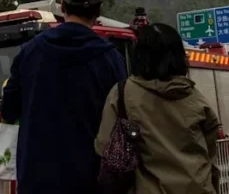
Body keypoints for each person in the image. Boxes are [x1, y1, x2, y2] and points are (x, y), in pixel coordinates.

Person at [1, 0, 127, 194]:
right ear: (98, 12)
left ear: (63, 6)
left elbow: (9, 110)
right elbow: (123, 116)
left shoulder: (30, 51)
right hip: (91, 178)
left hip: (36, 178)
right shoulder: (110, 58)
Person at [95, 23, 221, 194]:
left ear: (139, 55)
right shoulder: (195, 98)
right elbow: (210, 152)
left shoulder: (122, 93)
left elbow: (104, 146)